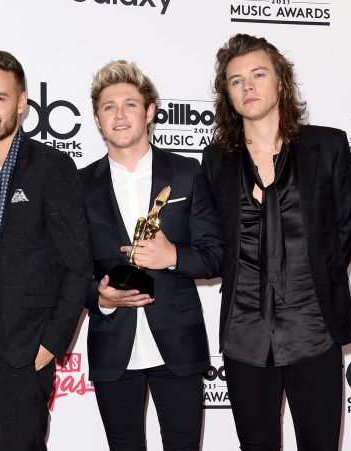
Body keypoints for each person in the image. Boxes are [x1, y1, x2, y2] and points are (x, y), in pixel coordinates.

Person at [202, 33, 351, 451]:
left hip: (314, 330)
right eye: (236, 81)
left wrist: (311, 283)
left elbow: (345, 230)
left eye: (258, 75)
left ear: (280, 82)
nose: (248, 87)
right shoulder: (216, 159)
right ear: (228, 94)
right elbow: (216, 239)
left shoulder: (327, 145)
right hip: (244, 336)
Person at [79, 60, 222, 451]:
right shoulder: (78, 186)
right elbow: (67, 271)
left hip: (178, 343)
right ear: (96, 119)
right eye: (109, 107)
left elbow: (215, 256)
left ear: (150, 111)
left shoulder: (186, 173)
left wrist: (172, 256)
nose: (120, 115)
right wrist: (99, 298)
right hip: (112, 342)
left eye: (129, 104)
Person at [0, 49, 93, 451]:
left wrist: (50, 344)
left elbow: (78, 264)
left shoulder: (51, 167)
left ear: (21, 103)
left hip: (23, 352)